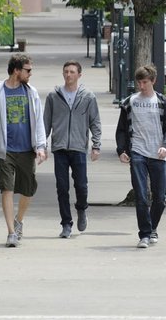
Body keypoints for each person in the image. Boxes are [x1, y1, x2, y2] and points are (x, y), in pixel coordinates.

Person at [0, 54, 47, 248]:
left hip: (27, 149)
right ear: (16, 70)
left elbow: (39, 122)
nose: (30, 74)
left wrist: (41, 146)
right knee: (7, 188)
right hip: (5, 150)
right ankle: (11, 232)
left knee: (28, 189)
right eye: (28, 70)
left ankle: (19, 220)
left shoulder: (31, 92)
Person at [115, 65, 166, 249]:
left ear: (153, 81)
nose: (141, 86)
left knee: (160, 198)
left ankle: (151, 228)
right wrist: (121, 150)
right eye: (139, 82)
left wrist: (165, 146)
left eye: (145, 82)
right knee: (141, 196)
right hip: (138, 152)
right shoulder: (130, 102)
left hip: (158, 153)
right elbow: (122, 130)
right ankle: (144, 234)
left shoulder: (163, 102)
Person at [44, 60, 102, 239]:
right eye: (66, 72)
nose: (68, 75)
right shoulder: (53, 96)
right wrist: (41, 145)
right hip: (60, 147)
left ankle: (82, 209)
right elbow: (45, 123)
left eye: (72, 72)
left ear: (79, 75)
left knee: (81, 185)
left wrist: (96, 145)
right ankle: (66, 224)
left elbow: (95, 122)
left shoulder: (88, 97)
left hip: (78, 147)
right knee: (62, 187)